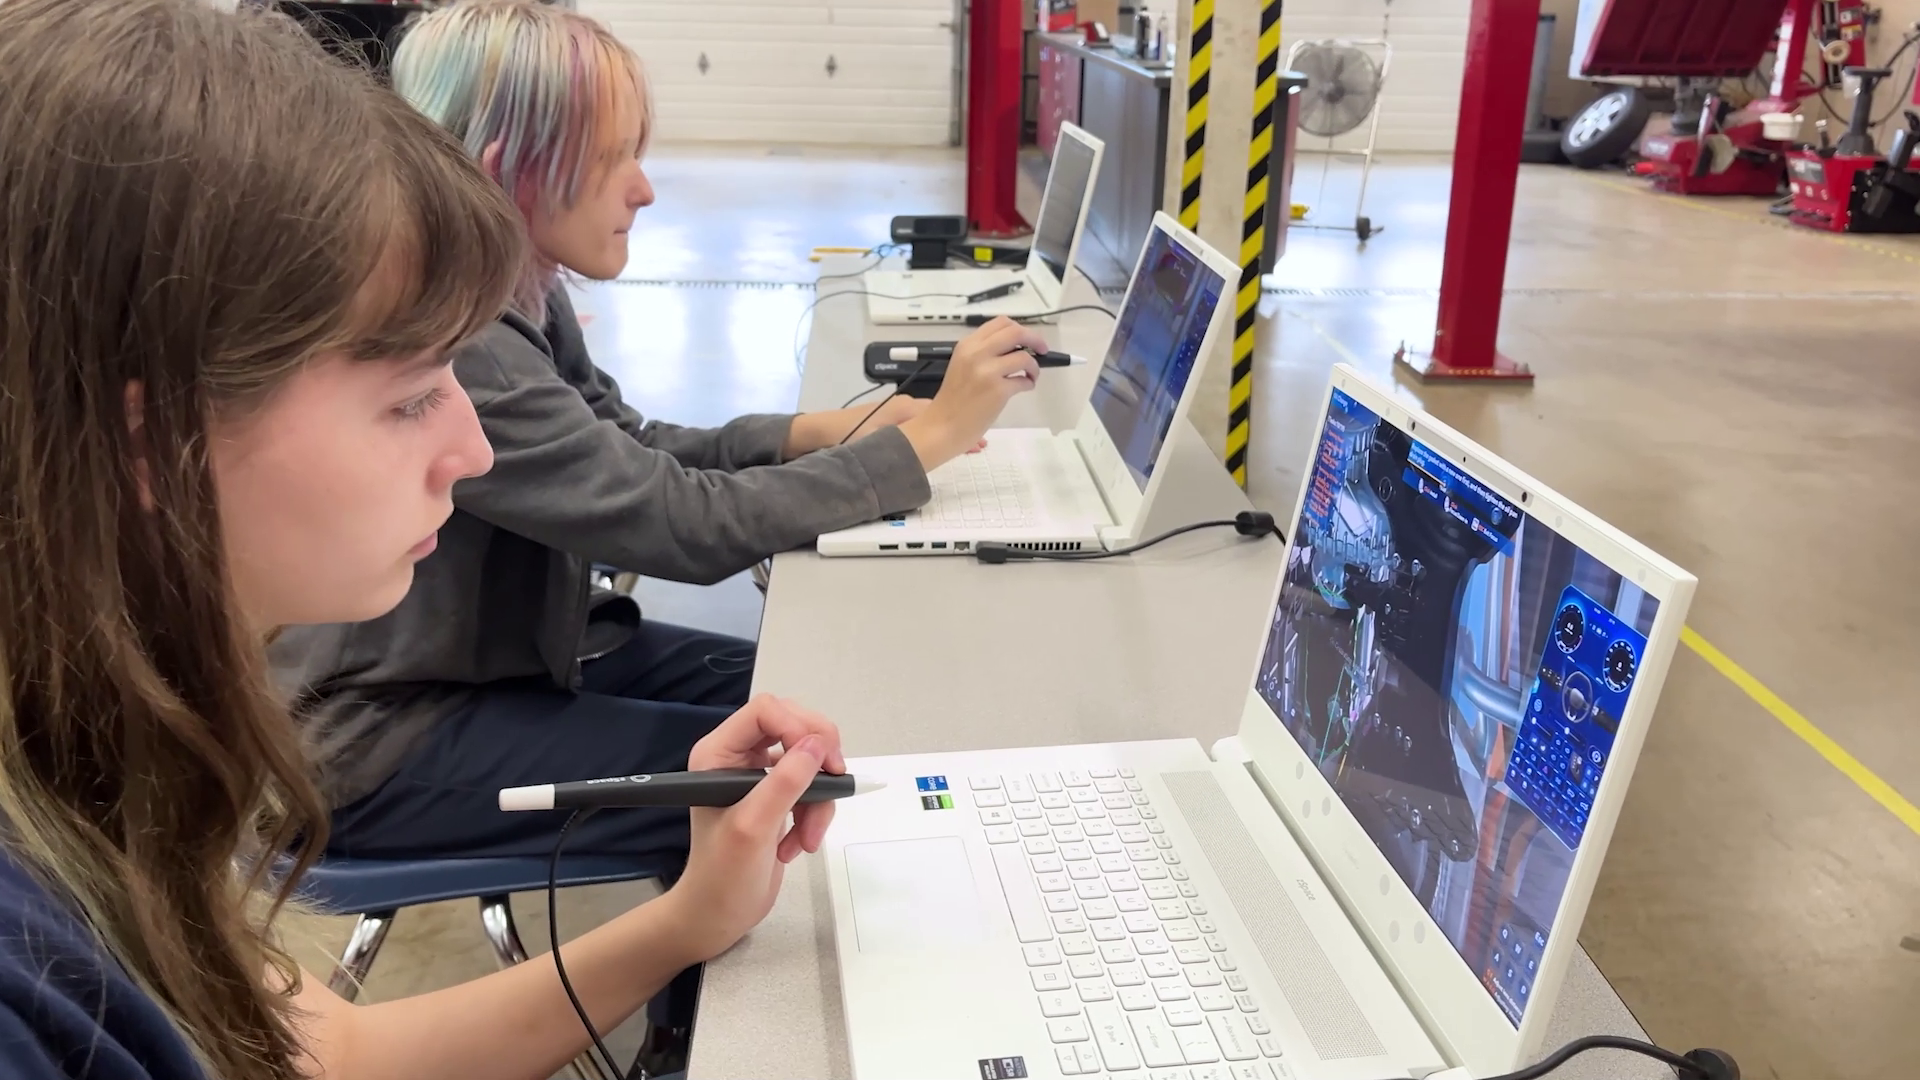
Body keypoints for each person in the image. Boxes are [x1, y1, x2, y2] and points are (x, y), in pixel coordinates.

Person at [0, 2, 843, 1078]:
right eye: (408, 398)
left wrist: (690, 921)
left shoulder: (95, 758)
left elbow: (336, 1053)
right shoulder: (23, 983)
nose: (473, 449)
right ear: (154, 444)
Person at [268, 0, 1048, 868]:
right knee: (779, 784)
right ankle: (695, 990)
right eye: (613, 161)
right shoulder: (457, 336)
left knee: (813, 701)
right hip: (387, 743)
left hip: (520, 657)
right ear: (507, 170)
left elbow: (623, 443)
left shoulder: (516, 281)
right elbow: (674, 521)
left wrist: (817, 431)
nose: (643, 188)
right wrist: (930, 438)